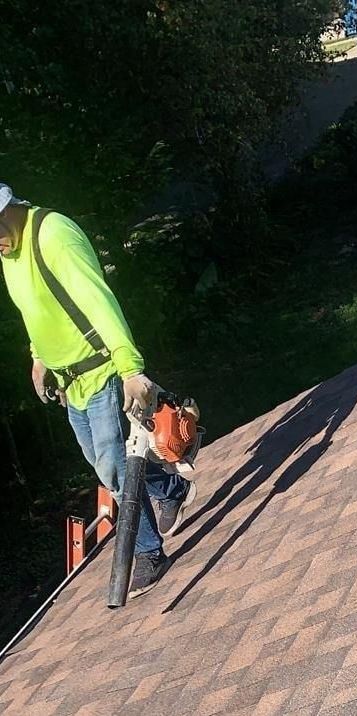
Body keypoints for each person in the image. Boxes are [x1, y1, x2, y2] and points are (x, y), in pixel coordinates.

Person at [0, 183, 196, 598]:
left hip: (102, 368)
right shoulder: (8, 250)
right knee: (101, 463)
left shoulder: (53, 235)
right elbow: (36, 307)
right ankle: (171, 487)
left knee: (113, 468)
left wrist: (130, 369)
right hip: (71, 381)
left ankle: (148, 553)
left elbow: (98, 300)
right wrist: (39, 358)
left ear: (6, 210)